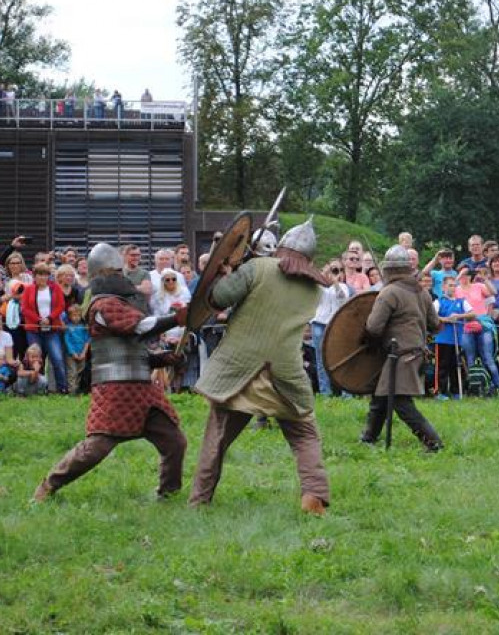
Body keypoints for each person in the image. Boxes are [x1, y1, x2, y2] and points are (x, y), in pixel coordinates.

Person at [189, 218, 330, 515]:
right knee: (304, 434)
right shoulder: (315, 290)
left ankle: (200, 500)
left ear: (281, 247)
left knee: (217, 436)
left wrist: (227, 273)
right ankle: (314, 497)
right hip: (284, 372)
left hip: (239, 368)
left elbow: (218, 298)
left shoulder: (258, 268)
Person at [33, 242, 188, 503]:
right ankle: (49, 485)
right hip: (115, 390)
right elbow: (139, 327)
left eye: (119, 271)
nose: (119, 277)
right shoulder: (102, 306)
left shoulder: (122, 304)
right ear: (100, 276)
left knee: (174, 441)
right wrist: (176, 319)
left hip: (143, 391)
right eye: (113, 272)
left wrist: (163, 359)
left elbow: (133, 350)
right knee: (95, 449)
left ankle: (168, 496)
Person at [360, 245, 444, 451]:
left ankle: (433, 442)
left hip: (401, 355)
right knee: (381, 397)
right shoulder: (422, 293)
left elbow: (373, 327)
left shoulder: (389, 293)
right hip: (415, 352)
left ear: (388, 270)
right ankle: (369, 437)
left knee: (400, 401)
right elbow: (435, 324)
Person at [21, 263, 68, 393]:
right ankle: (37, 388)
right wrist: (38, 320)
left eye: (45, 274)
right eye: (39, 274)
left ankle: (62, 388)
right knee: (35, 360)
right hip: (34, 330)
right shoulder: (28, 289)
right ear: (34, 276)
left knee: (57, 359)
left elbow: (61, 306)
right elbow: (24, 308)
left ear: (49, 276)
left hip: (52, 330)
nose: (42, 277)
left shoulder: (55, 288)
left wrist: (50, 318)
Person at [455, 266, 499, 394]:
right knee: (470, 358)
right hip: (466, 325)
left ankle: (497, 386)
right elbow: (446, 294)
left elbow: (494, 292)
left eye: (468, 274)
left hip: (483, 323)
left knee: (487, 357)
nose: (466, 276)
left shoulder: (478, 286)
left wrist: (485, 278)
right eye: (464, 274)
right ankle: (474, 387)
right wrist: (459, 276)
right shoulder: (457, 289)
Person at [311, 260, 351, 397]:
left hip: (335, 324)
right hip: (319, 323)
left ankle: (346, 393)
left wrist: (335, 281)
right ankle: (325, 393)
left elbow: (342, 299)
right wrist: (324, 275)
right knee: (320, 359)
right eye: (334, 269)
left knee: (340, 357)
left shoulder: (343, 287)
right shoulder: (318, 286)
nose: (336, 272)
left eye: (339, 269)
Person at [433, 275, 470, 398]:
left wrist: (459, 316)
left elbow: (473, 314)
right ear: (443, 287)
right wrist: (446, 319)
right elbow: (432, 317)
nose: (453, 288)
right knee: (442, 366)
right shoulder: (439, 302)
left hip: (457, 340)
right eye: (450, 285)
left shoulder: (461, 302)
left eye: (455, 285)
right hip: (443, 339)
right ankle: (440, 391)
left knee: (456, 366)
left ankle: (456, 391)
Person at [64, 304, 91, 395]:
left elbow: (87, 340)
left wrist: (84, 352)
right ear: (70, 316)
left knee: (80, 372)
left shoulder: (84, 327)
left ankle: (78, 389)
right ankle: (72, 391)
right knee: (72, 372)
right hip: (71, 355)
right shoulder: (68, 327)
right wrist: (73, 353)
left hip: (82, 354)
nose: (76, 318)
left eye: (78, 315)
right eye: (74, 315)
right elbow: (67, 341)